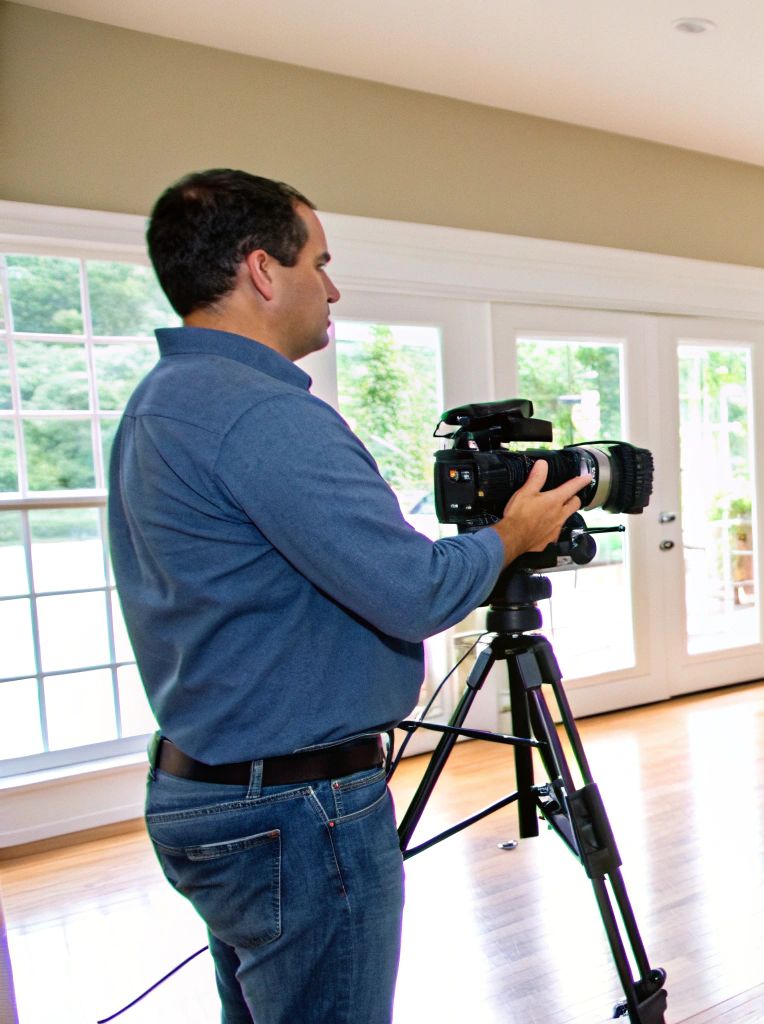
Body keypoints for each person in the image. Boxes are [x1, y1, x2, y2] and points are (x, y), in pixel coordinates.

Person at [110, 169, 593, 1023]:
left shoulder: (161, 403)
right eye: (319, 263)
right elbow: (413, 593)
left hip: (206, 787)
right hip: (295, 813)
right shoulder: (263, 416)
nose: (332, 287)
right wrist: (511, 536)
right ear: (263, 271)